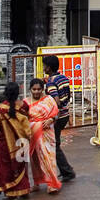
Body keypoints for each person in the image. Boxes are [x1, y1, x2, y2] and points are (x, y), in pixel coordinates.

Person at [0, 81, 31, 200]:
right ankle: (24, 190)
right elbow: (27, 122)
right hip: (22, 142)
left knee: (6, 167)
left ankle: (11, 193)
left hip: (6, 144)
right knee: (21, 167)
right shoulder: (23, 106)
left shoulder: (1, 109)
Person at [25, 77, 63, 194]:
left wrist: (51, 119)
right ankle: (36, 183)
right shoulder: (26, 102)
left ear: (42, 89)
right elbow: (23, 118)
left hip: (47, 132)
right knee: (34, 159)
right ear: (30, 89)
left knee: (48, 157)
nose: (36, 91)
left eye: (38, 89)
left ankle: (51, 184)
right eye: (34, 89)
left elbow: (57, 113)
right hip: (32, 134)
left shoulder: (49, 100)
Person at [41, 54, 76, 182]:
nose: (43, 68)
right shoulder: (63, 78)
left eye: (44, 66)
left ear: (49, 68)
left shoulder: (51, 82)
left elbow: (56, 100)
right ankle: (65, 170)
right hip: (65, 114)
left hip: (57, 115)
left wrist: (52, 115)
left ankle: (67, 171)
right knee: (56, 143)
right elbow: (68, 95)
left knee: (54, 144)